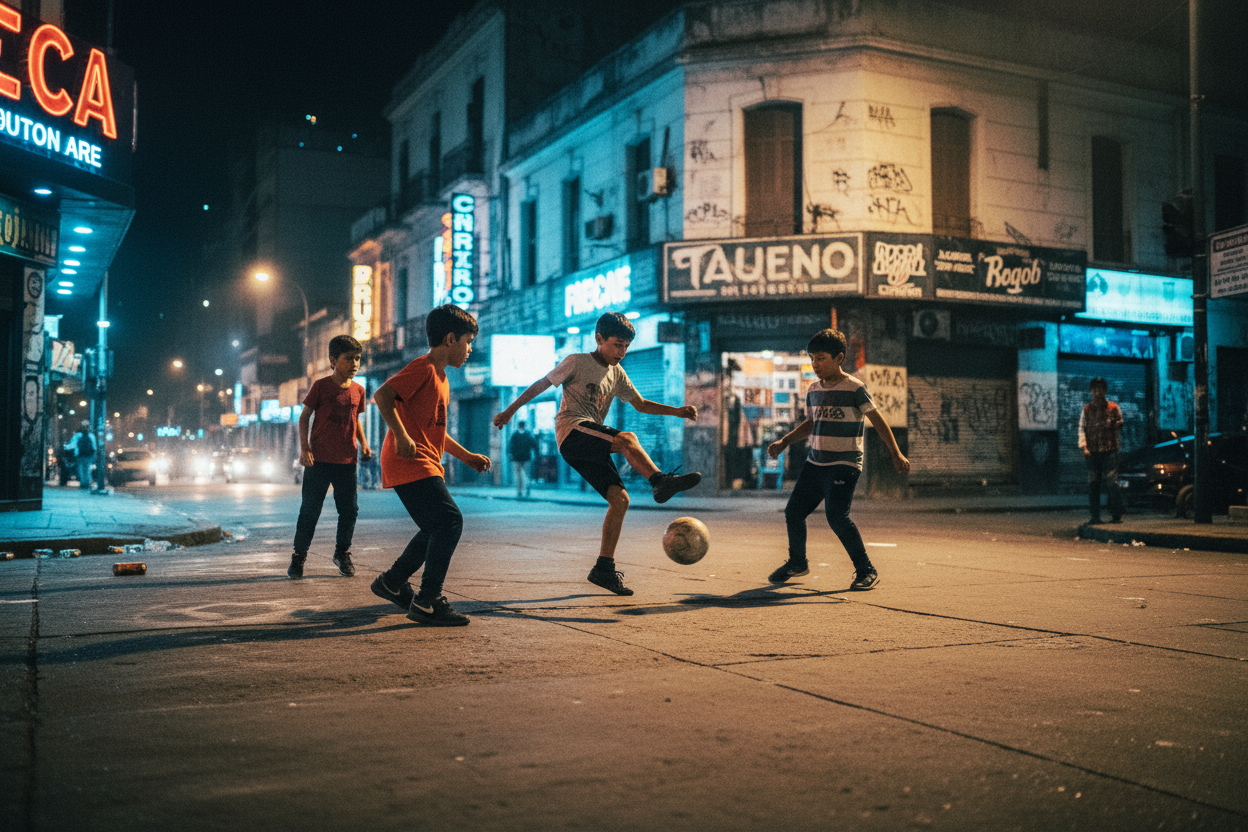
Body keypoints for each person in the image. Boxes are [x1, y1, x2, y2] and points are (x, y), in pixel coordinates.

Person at [493, 312, 701, 596]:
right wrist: (510, 410)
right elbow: (541, 384)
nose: (622, 352)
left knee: (620, 499)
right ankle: (659, 481)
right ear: (599, 339)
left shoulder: (617, 373)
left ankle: (603, 568)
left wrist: (676, 411)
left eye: (626, 347)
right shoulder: (577, 361)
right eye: (617, 345)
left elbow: (640, 404)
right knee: (627, 439)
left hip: (590, 439)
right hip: (572, 433)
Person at [369, 305, 491, 626]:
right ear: (450, 339)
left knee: (436, 526)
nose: (470, 349)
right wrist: (401, 436)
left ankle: (393, 582)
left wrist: (467, 457)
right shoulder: (423, 368)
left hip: (422, 460)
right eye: (468, 342)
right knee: (449, 521)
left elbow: (436, 429)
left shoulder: (442, 378)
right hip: (409, 459)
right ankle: (427, 601)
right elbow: (383, 396)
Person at [765, 329, 910, 591]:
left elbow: (877, 421)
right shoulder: (813, 389)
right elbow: (810, 424)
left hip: (845, 462)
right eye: (812, 359)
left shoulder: (855, 388)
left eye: (821, 358)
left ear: (839, 357)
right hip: (816, 462)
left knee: (836, 516)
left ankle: (866, 569)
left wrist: (895, 452)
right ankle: (798, 562)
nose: (815, 364)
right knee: (794, 512)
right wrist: (784, 442)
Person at [288, 335, 372, 579]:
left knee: (349, 510)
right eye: (348, 359)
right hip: (319, 461)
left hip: (347, 461)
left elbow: (355, 420)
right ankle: (299, 556)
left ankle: (342, 553)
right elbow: (304, 418)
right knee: (310, 511)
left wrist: (364, 444)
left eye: (358, 359)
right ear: (333, 360)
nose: (354, 364)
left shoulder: (359, 390)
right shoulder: (321, 386)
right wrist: (305, 449)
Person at [1079, 376, 1125, 524]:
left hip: (1110, 450)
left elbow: (1121, 421)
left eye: (1101, 389)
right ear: (1092, 391)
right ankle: (1095, 516)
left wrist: (1115, 423)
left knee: (1112, 483)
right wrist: (1084, 447)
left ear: (1105, 391)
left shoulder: (1113, 407)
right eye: (1095, 389)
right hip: (1092, 452)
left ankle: (1116, 514)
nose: (1098, 392)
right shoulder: (1087, 409)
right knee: (1094, 483)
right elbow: (1082, 428)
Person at [507, 420, 539, 498]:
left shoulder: (515, 435)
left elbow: (510, 446)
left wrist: (510, 455)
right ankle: (527, 486)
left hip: (516, 458)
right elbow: (534, 445)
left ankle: (519, 491)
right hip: (526, 457)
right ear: (524, 426)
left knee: (518, 476)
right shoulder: (528, 435)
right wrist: (537, 454)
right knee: (526, 474)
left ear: (518, 426)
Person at [69, 420, 95, 490]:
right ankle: (88, 483)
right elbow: (94, 447)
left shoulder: (78, 435)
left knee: (81, 470)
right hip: (88, 456)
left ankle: (83, 483)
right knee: (88, 470)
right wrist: (93, 456)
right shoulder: (91, 436)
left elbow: (74, 446)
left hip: (80, 456)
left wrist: (75, 455)